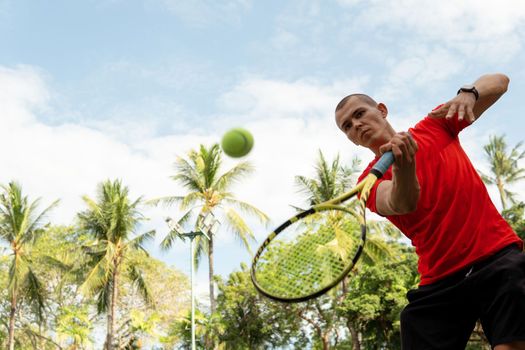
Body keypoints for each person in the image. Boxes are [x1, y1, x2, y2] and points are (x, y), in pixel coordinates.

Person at [334, 73, 525, 350]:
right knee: (412, 321)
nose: (356, 125)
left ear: (382, 110)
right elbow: (403, 202)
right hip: (441, 280)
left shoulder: (434, 126)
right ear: (351, 140)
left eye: (359, 114)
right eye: (347, 127)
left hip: (496, 258)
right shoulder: (369, 182)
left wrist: (468, 94)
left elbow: (500, 82)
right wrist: (403, 166)